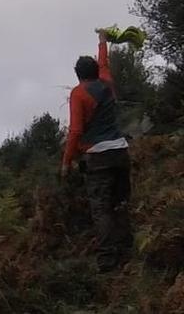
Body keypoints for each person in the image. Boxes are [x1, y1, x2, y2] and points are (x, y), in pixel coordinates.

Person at [61, 30, 133, 272]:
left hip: (98, 157)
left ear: (78, 75)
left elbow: (75, 131)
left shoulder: (79, 93)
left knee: (101, 209)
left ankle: (107, 262)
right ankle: (126, 251)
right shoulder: (107, 84)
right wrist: (102, 41)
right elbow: (104, 63)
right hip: (121, 151)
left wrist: (66, 162)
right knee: (120, 203)